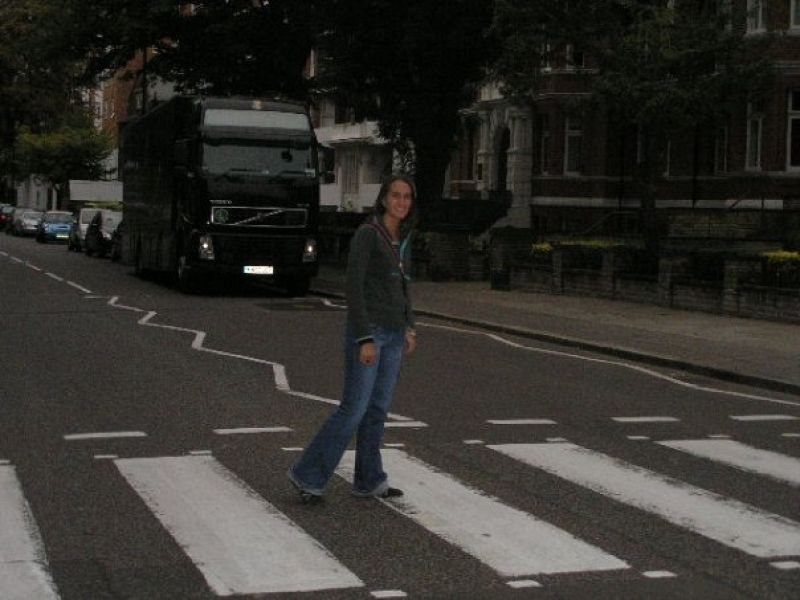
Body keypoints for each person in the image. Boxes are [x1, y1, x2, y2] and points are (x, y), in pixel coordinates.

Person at [288, 174, 418, 503]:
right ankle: (308, 475)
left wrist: (409, 326)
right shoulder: (368, 235)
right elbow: (354, 288)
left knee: (377, 409)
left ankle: (369, 480)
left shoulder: (401, 236)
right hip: (371, 332)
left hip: (393, 333)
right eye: (396, 196)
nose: (402, 202)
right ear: (384, 199)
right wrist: (364, 338)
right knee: (354, 409)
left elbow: (403, 286)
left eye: (407, 197)